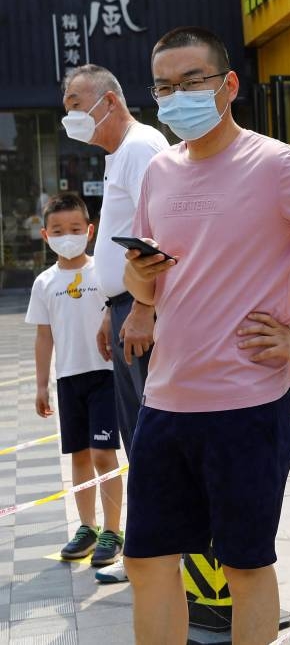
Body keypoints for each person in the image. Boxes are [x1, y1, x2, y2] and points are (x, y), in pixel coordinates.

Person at [122, 27, 290, 644]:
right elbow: (151, 287)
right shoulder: (159, 171)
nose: (177, 96)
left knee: (244, 566)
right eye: (164, 86)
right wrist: (140, 282)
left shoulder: (276, 164)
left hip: (246, 405)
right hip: (165, 400)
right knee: (147, 561)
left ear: (229, 85)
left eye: (192, 81)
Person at [61, 63, 169, 584]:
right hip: (126, 307)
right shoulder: (118, 155)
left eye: (77, 104)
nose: (71, 115)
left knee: (155, 436)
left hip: (145, 310)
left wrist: (143, 308)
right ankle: (151, 552)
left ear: (109, 100)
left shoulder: (142, 148)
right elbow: (124, 236)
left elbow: (162, 238)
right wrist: (112, 305)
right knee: (137, 438)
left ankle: (163, 554)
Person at [26, 193, 124, 569]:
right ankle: (88, 527)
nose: (67, 235)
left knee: (103, 454)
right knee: (80, 457)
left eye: (75, 229)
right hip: (69, 380)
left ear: (90, 230)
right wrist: (41, 384)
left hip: (105, 377)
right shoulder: (44, 283)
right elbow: (44, 336)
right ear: (45, 235)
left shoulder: (105, 272)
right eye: (58, 230)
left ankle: (113, 530)